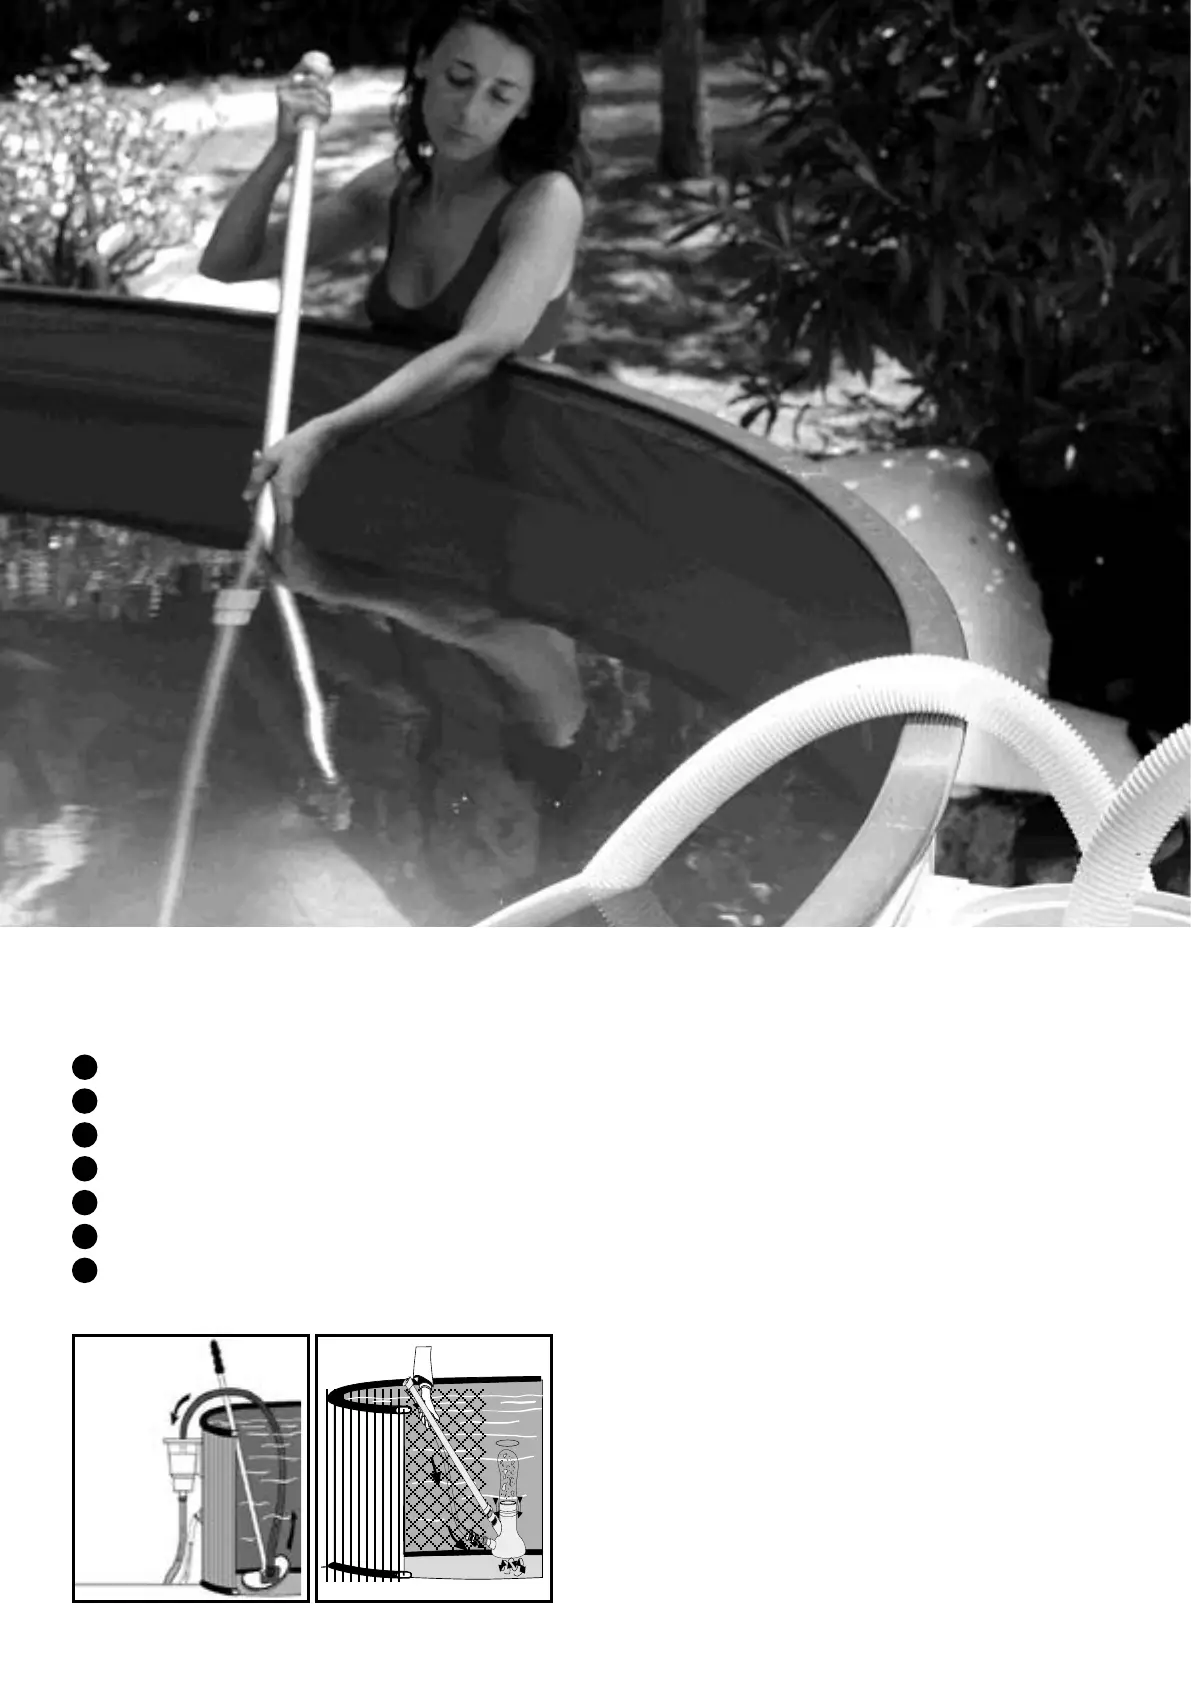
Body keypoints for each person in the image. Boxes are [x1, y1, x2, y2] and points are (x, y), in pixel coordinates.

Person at [198, 0, 590, 761]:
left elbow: (479, 349)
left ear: (528, 107)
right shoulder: (399, 189)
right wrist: (282, 149)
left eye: (500, 95)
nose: (469, 111)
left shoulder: (545, 202)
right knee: (403, 686)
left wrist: (323, 436)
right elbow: (229, 263)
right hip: (404, 489)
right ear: (424, 66)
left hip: (507, 504)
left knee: (528, 708)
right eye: (458, 79)